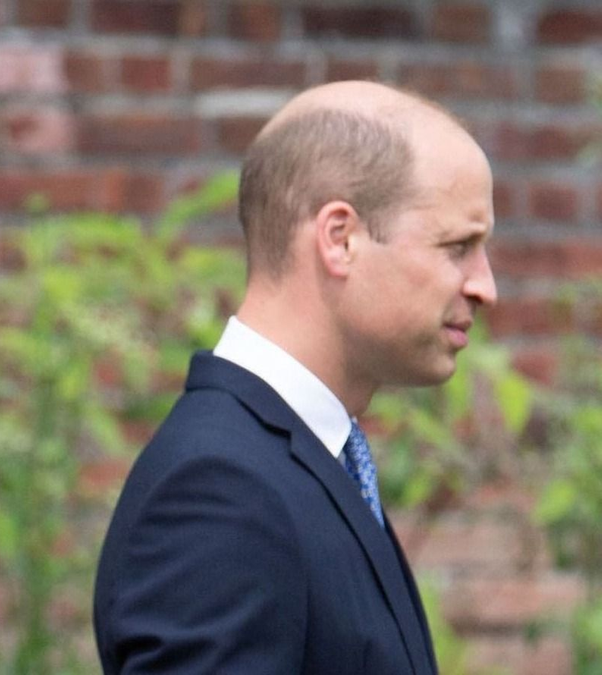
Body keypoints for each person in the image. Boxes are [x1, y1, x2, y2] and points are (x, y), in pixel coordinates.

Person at [93, 80, 497, 674]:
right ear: (340, 239)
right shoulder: (220, 491)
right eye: (457, 246)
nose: (485, 286)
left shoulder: (304, 462)